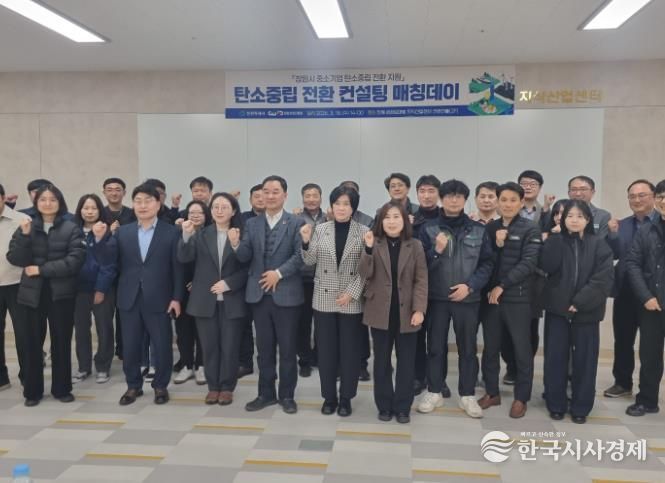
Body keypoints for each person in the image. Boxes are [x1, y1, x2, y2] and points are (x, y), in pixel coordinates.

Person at [417, 180, 493, 418]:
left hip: (467, 299)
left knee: (468, 349)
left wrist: (470, 286)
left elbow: (487, 263)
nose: (453, 200)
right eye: (449, 196)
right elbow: (420, 266)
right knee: (435, 347)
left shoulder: (478, 230)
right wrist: (436, 251)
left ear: (465, 200)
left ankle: (467, 395)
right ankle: (434, 391)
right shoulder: (428, 229)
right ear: (442, 199)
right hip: (437, 298)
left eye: (459, 196)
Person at [231, 175, 305, 414]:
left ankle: (287, 395)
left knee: (288, 349)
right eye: (266, 191)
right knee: (263, 349)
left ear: (285, 195)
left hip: (287, 295)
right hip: (259, 295)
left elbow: (301, 256)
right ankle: (265, 394)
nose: (270, 196)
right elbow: (245, 257)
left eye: (275, 191)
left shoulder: (296, 222)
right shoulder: (252, 224)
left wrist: (278, 274)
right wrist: (235, 245)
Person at [7, 184, 85, 407]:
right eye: (43, 199)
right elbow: (15, 258)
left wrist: (41, 270)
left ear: (60, 202)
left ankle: (62, 389)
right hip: (32, 294)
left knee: (61, 341)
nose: (48, 203)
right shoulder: (26, 226)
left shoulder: (71, 228)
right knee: (31, 342)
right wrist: (24, 236)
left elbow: (75, 261)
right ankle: (32, 391)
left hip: (61, 294)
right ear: (36, 202)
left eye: (52, 199)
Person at [540, 200, 613, 423]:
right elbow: (546, 267)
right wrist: (553, 239)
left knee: (585, 361)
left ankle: (581, 407)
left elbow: (603, 279)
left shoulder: (599, 244)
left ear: (588, 220)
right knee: (555, 358)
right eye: (569, 216)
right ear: (562, 219)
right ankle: (556, 403)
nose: (574, 220)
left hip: (587, 311)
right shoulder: (555, 240)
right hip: (558, 310)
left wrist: (580, 301)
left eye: (580, 216)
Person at [300, 185, 369, 417]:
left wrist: (352, 292)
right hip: (324, 297)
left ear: (353, 208)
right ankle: (329, 397)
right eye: (337, 203)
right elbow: (310, 261)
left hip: (351, 298)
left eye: (346, 204)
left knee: (350, 352)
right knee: (326, 352)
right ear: (331, 206)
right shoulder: (320, 229)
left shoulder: (364, 231)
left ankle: (346, 398)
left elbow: (367, 268)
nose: (341, 208)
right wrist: (306, 242)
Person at [115, 182, 184, 406]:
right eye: (138, 201)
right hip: (129, 297)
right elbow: (113, 265)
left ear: (158, 204)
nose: (142, 205)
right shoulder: (122, 232)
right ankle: (133, 386)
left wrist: (176, 298)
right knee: (131, 345)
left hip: (160, 298)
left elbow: (177, 269)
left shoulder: (171, 232)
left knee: (162, 344)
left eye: (148, 201)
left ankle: (160, 386)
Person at [359, 201, 428, 424]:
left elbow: (421, 280)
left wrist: (419, 309)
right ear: (381, 221)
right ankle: (384, 405)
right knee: (381, 362)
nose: (391, 221)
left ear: (405, 220)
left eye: (396, 217)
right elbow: (364, 273)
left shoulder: (415, 245)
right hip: (380, 310)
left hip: (407, 312)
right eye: (387, 217)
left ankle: (403, 407)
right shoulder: (374, 242)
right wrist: (368, 249)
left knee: (406, 363)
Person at [178, 193, 249, 405]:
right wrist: (186, 236)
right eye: (215, 206)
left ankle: (227, 387)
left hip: (232, 299)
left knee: (230, 346)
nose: (219, 211)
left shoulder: (242, 233)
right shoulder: (201, 234)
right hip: (204, 300)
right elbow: (184, 257)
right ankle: (213, 387)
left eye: (224, 207)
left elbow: (249, 265)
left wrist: (229, 283)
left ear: (233, 211)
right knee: (209, 347)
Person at [478, 182, 542, 419]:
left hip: (518, 299)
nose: (507, 204)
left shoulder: (530, 229)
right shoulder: (490, 228)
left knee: (521, 350)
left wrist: (502, 286)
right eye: (503, 200)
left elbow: (529, 264)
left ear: (521, 202)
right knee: (490, 348)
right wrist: (497, 245)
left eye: (513, 200)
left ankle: (521, 398)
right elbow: (485, 262)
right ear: (497, 202)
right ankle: (492, 393)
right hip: (491, 299)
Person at [604, 180, 658, 398]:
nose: (636, 200)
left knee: (650, 346)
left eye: (642, 195)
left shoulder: (660, 223)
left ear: (654, 196)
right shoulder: (622, 225)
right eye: (632, 196)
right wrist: (612, 235)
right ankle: (622, 383)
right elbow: (614, 254)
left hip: (653, 294)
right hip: (626, 291)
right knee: (623, 340)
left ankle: (647, 391)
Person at [624, 179, 665, 417]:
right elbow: (632, 264)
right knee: (650, 357)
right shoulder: (647, 229)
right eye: (660, 196)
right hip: (652, 304)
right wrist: (646, 296)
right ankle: (647, 401)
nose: (663, 201)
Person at [72, 194, 118, 385]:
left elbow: (109, 264)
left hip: (102, 289)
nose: (89, 212)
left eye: (94, 208)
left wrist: (100, 289)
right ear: (80, 210)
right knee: (81, 330)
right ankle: (83, 367)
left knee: (104, 328)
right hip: (78, 290)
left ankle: (103, 366)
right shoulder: (73, 231)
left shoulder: (107, 232)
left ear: (100, 210)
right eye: (86, 208)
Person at [173, 200, 210, 385]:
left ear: (206, 215)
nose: (195, 215)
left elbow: (212, 263)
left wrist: (199, 282)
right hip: (182, 290)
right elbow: (177, 261)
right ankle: (186, 365)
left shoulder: (210, 234)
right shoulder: (178, 233)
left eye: (199, 212)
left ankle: (201, 365)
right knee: (183, 330)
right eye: (191, 212)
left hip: (203, 289)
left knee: (202, 330)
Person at [412, 175, 441, 396]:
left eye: (431, 191)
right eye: (422, 191)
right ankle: (417, 377)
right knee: (416, 336)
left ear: (438, 194)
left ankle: (437, 379)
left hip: (439, 284)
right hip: (414, 286)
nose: (427, 195)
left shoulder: (445, 217)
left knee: (437, 338)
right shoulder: (409, 218)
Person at [0, 183, 31, 390]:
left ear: (3, 198)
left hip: (17, 284)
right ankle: (1, 378)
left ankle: (27, 376)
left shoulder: (21, 220)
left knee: (24, 333)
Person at [294, 183, 327, 377]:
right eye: (308, 196)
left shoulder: (328, 218)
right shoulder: (296, 219)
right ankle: (304, 360)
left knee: (322, 322)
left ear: (321, 198)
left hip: (323, 277)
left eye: (315, 195)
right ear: (302, 198)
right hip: (303, 277)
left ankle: (319, 357)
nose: (311, 199)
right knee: (303, 322)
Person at [102, 177, 135, 360]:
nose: (114, 193)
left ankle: (123, 349)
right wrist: (109, 231)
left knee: (125, 313)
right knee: (106, 315)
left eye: (118, 189)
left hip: (127, 271)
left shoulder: (132, 213)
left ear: (124, 192)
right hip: (106, 272)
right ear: (104, 192)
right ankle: (106, 351)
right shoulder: (99, 213)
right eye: (110, 189)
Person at [238, 183, 265, 377]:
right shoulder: (241, 219)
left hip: (268, 280)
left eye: (264, 195)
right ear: (250, 200)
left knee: (265, 328)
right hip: (244, 279)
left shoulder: (279, 220)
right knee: (244, 324)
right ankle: (245, 363)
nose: (261, 199)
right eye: (257, 196)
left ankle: (266, 364)